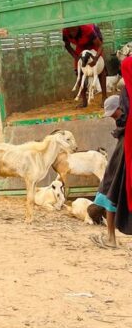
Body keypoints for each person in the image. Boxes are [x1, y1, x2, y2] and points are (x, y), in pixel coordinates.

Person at [92, 59, 132, 248]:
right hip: (124, 149)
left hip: (125, 151)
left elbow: (125, 125)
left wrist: (119, 132)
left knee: (110, 188)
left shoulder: (126, 95)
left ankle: (111, 238)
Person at [62, 24, 106, 107]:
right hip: (81, 46)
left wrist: (96, 58)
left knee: (100, 69)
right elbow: (67, 45)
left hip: (94, 44)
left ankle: (104, 97)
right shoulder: (65, 31)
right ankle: (84, 101)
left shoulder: (87, 29)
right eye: (70, 30)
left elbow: (100, 45)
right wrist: (76, 57)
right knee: (78, 72)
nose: (72, 32)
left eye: (74, 29)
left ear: (78, 26)